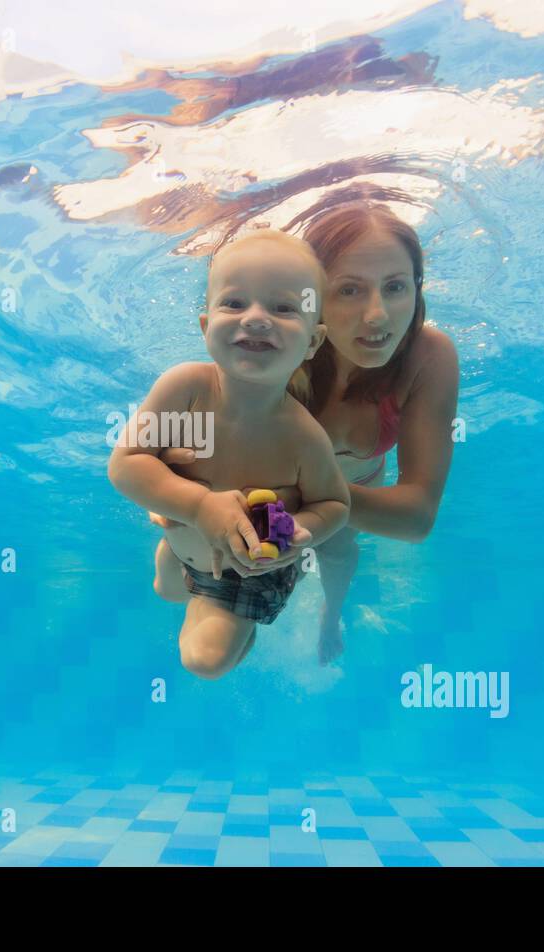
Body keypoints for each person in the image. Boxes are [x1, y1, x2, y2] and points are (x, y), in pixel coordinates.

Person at [150, 200, 460, 665]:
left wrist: (311, 506)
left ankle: (330, 616)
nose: (377, 315)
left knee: (337, 550)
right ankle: (209, 596)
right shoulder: (274, 345)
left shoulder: (427, 355)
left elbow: (416, 517)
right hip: (251, 495)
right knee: (176, 589)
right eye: (348, 290)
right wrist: (182, 494)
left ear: (417, 289)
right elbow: (179, 442)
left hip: (346, 493)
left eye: (395, 287)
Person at [107, 229, 351, 680]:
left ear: (313, 343)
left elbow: (334, 505)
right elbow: (126, 462)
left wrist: (300, 535)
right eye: (235, 303)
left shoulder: (303, 436)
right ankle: (180, 570)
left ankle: (241, 631)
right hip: (185, 545)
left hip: (248, 571)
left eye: (282, 308)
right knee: (166, 591)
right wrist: (197, 505)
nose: (256, 319)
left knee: (205, 661)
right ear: (205, 327)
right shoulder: (185, 388)